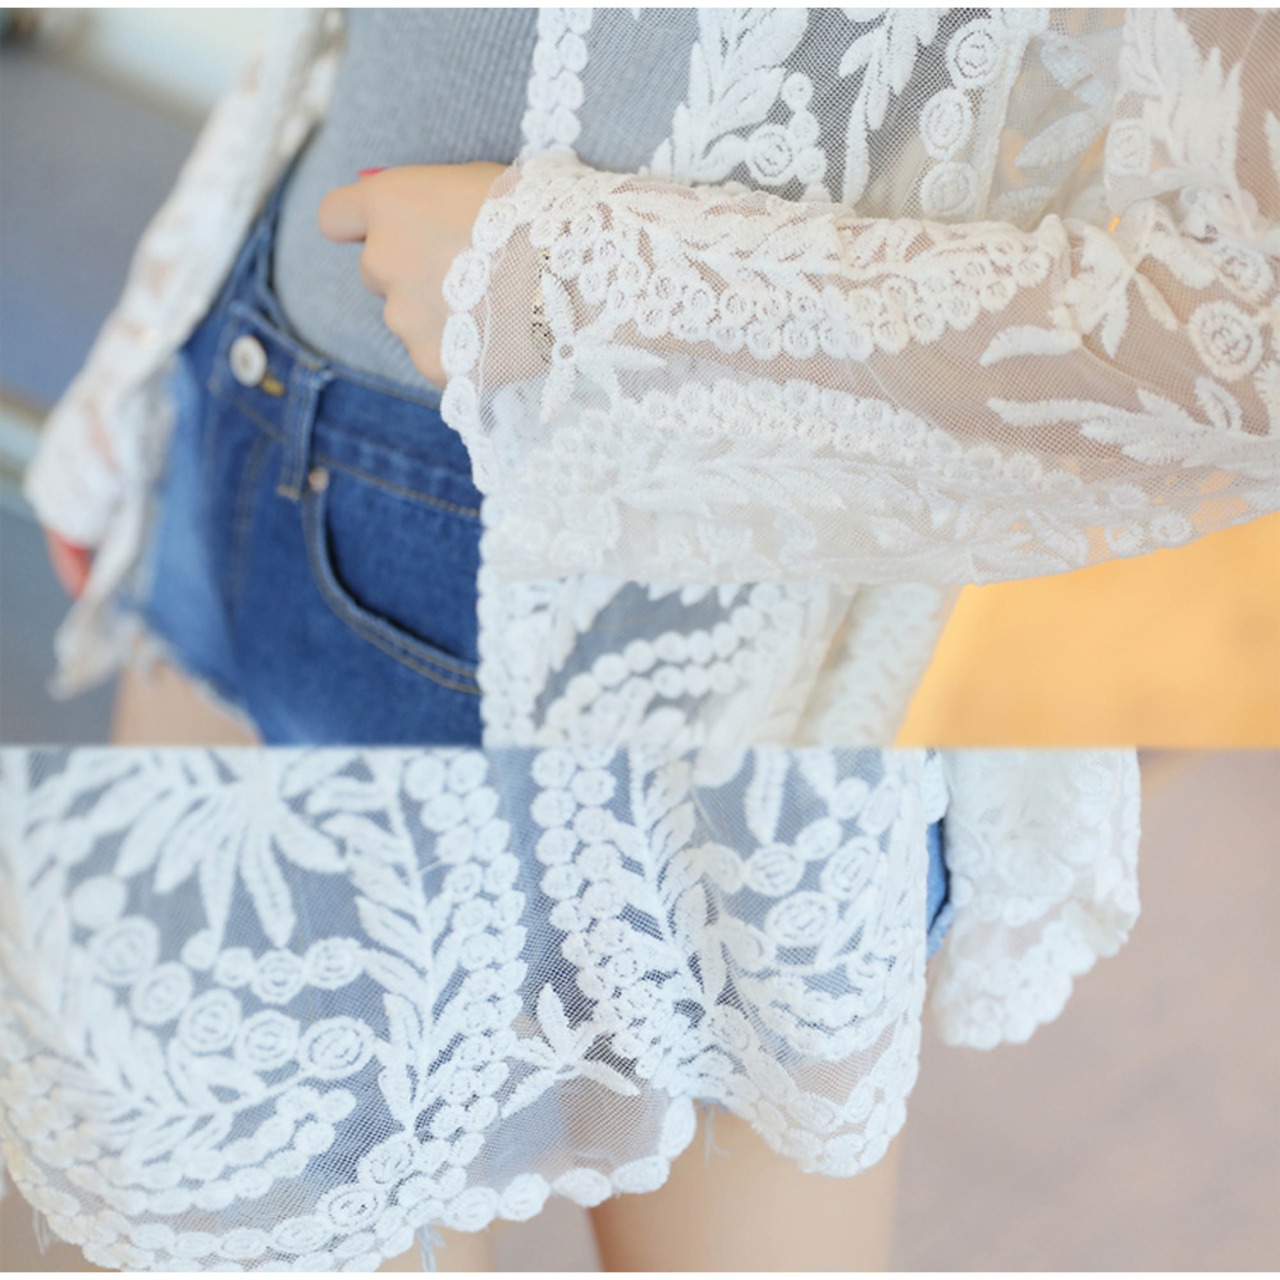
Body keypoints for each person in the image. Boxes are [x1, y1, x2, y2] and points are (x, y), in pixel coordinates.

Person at [3, 6, 1267, 1272]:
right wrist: (155, 321)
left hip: (706, 599)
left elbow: (1240, 328)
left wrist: (566, 290)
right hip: (256, 412)